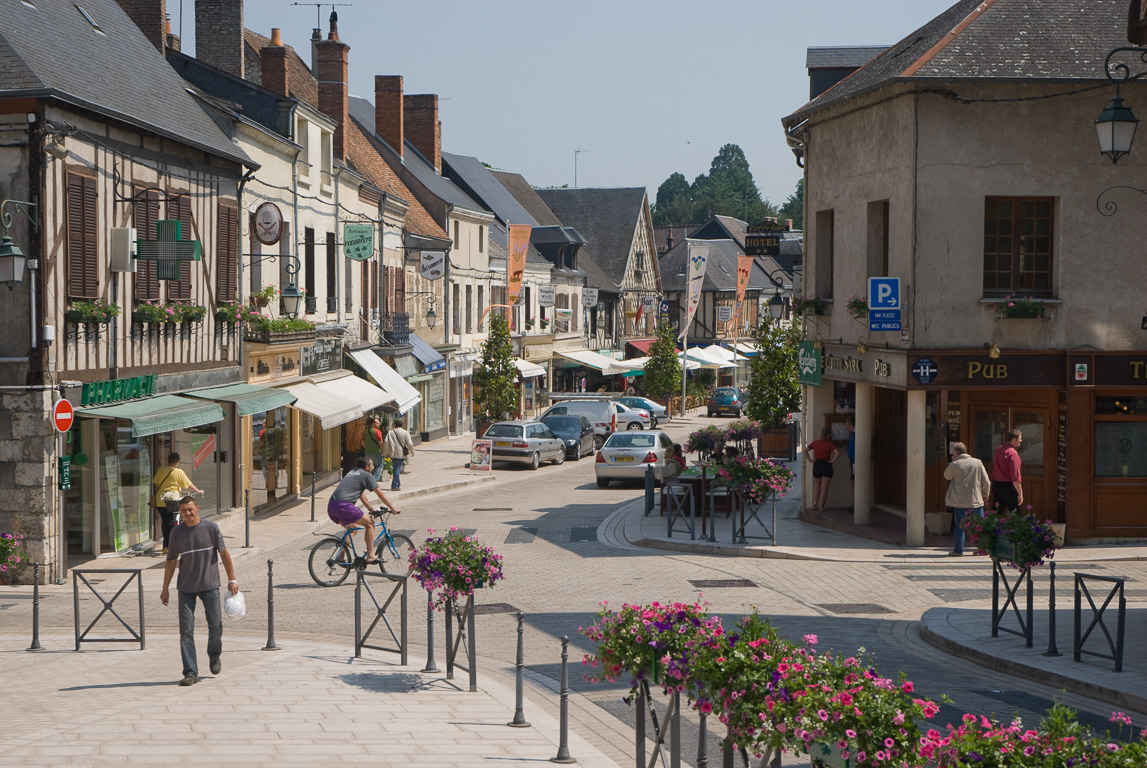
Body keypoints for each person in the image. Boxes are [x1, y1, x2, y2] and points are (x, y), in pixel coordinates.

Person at [160, 496, 237, 686]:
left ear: (197, 508)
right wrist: (165, 588)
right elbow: (170, 562)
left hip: (210, 585)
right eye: (184, 511)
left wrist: (232, 579)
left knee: (216, 626)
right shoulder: (176, 533)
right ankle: (190, 672)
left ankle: (214, 654)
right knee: (186, 632)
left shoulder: (211, 528)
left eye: (190, 510)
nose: (187, 514)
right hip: (186, 588)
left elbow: (224, 555)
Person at [327, 457, 401, 563]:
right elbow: (380, 493)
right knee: (370, 524)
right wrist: (393, 509)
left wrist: (370, 508)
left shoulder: (352, 472)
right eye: (372, 465)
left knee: (353, 527)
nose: (373, 467)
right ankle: (370, 555)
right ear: (367, 467)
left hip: (332, 507)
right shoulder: (367, 475)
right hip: (344, 506)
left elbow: (360, 493)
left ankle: (341, 555)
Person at [944, 442, 991, 556]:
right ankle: (983, 549)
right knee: (979, 525)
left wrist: (953, 462)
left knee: (960, 527)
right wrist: (985, 494)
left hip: (960, 501)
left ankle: (958, 550)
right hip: (976, 499)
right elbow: (986, 481)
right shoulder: (977, 462)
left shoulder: (954, 464)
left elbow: (947, 476)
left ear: (956, 452)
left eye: (953, 452)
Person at [153, 453, 204, 555]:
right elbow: (189, 485)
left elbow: (156, 483)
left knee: (165, 522)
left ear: (168, 460)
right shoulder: (178, 472)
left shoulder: (161, 469)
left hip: (160, 500)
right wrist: (199, 491)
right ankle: (169, 545)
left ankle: (166, 546)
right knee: (172, 523)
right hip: (171, 500)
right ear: (177, 462)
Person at [805, 427, 840, 513]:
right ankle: (821, 507)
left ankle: (814, 504)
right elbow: (837, 454)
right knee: (824, 487)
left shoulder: (816, 443)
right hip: (826, 465)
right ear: (828, 435)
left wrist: (810, 460)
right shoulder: (830, 444)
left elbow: (805, 450)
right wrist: (832, 461)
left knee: (817, 486)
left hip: (817, 465)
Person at [991, 429, 1024, 512]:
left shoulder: (998, 450)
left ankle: (989, 525)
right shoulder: (1012, 453)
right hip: (1008, 486)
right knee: (1015, 514)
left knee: (996, 512)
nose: (1021, 440)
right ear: (1014, 439)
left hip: (997, 484)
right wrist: (1020, 493)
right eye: (1019, 438)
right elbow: (1015, 476)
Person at [385, 418, 415, 491]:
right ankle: (395, 485)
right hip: (400, 453)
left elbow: (386, 442)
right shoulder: (405, 432)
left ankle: (396, 484)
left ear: (395, 425)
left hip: (392, 452)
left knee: (396, 468)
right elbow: (409, 443)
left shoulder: (390, 432)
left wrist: (386, 452)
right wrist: (412, 452)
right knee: (397, 469)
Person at [363, 416, 386, 482]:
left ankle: (367, 481)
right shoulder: (377, 431)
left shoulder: (366, 431)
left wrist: (367, 448)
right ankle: (374, 481)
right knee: (379, 466)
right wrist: (383, 450)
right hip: (376, 452)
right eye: (377, 423)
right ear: (372, 423)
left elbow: (363, 443)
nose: (379, 425)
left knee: (368, 467)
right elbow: (380, 442)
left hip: (368, 453)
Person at [846, 416, 856, 514]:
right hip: (851, 459)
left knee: (854, 480)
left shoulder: (856, 433)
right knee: (852, 480)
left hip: (855, 460)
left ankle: (856, 502)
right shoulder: (852, 433)